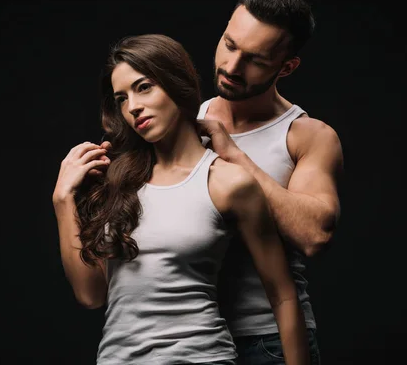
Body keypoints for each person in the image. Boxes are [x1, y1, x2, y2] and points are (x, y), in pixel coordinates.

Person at [52, 34, 310, 364]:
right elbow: (90, 296)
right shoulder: (116, 180)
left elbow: (283, 294)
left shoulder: (227, 182)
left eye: (143, 87)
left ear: (176, 83)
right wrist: (63, 200)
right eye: (121, 98)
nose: (133, 106)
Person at [195, 0, 344, 364]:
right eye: (229, 45)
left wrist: (234, 154)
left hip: (269, 340)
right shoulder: (183, 122)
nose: (231, 67)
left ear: (287, 67)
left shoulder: (308, 136)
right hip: (189, 336)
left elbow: (314, 235)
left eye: (256, 60)